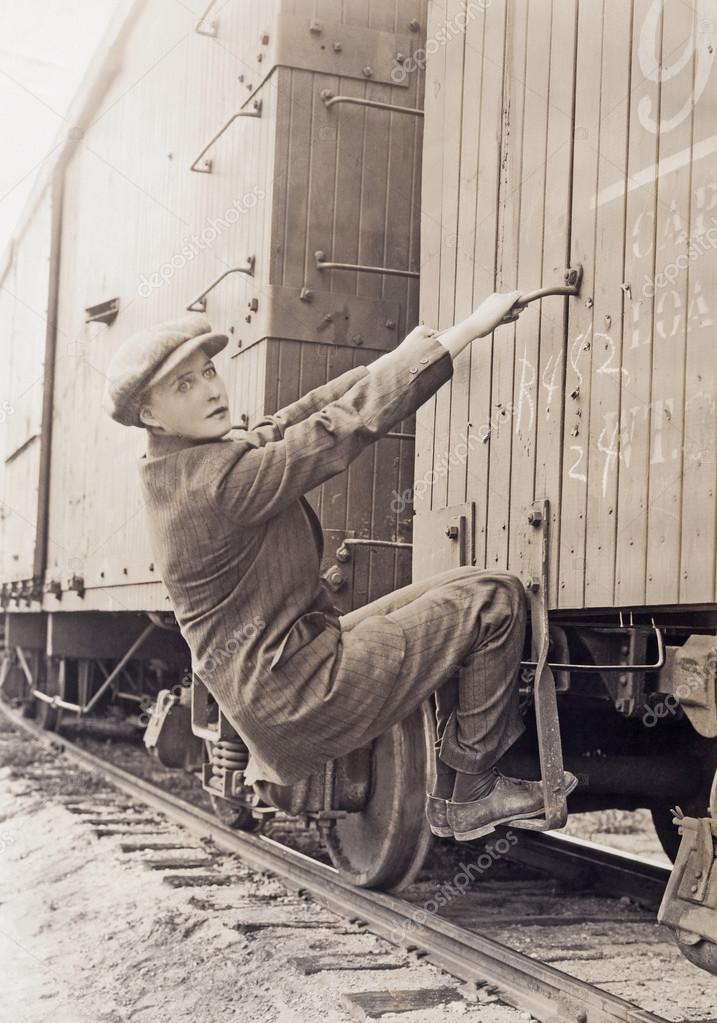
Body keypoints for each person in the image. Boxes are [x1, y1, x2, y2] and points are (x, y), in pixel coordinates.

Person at [102, 296, 576, 842]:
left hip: (290, 666)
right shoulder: (219, 484)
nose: (211, 390)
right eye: (184, 385)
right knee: (496, 601)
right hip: (297, 691)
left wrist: (396, 359)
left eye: (208, 371)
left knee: (472, 586)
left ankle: (458, 788)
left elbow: (286, 423)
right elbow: (336, 431)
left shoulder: (179, 467)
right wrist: (467, 330)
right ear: (150, 414)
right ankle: (472, 790)